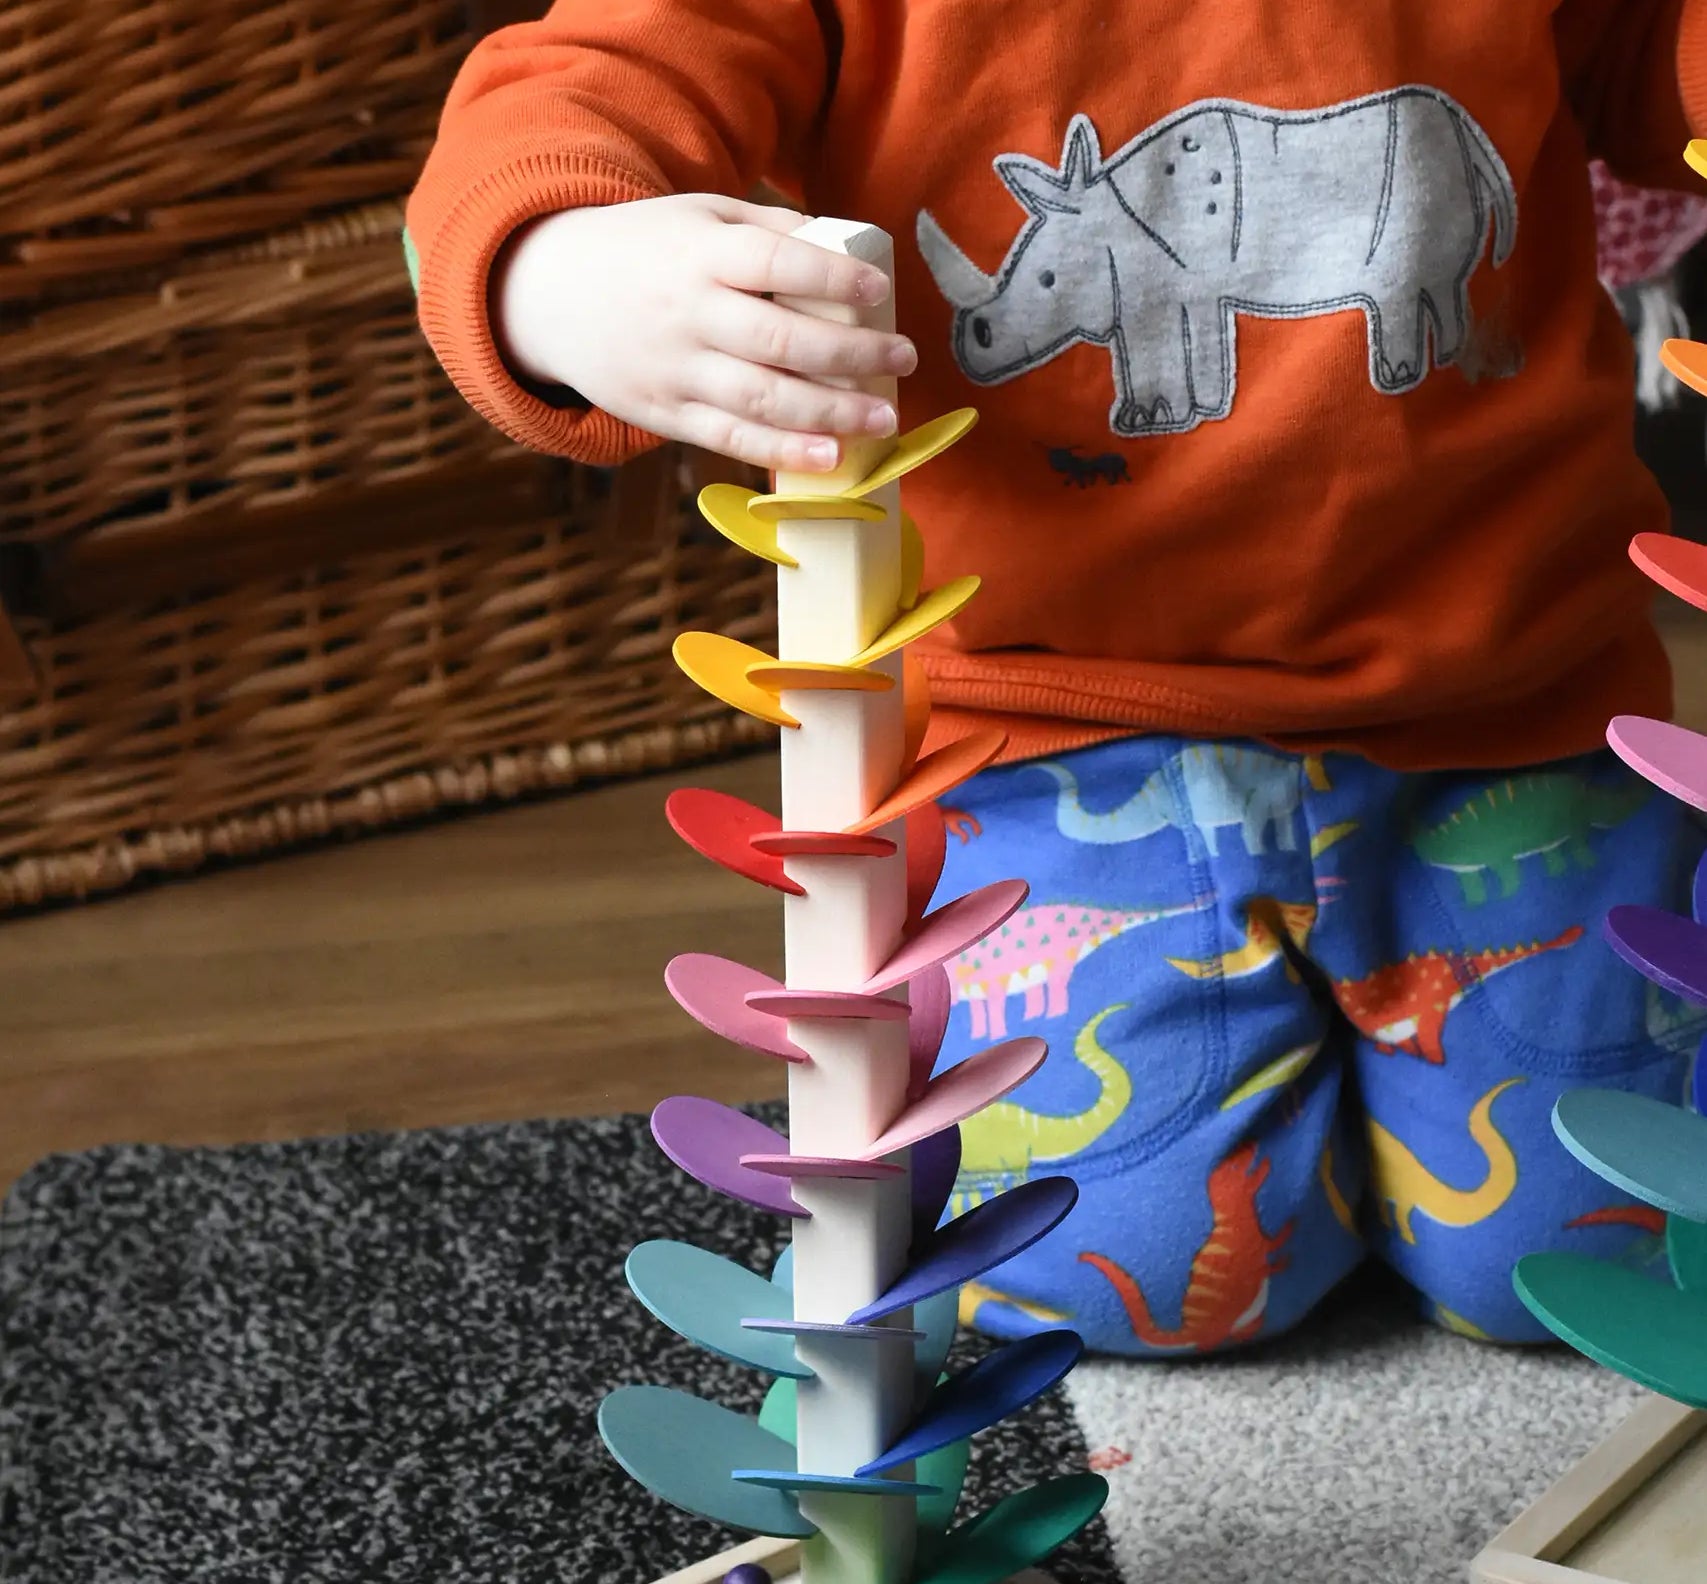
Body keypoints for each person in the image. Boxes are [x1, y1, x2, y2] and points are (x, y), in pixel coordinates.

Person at [409, 3, 1707, 1354]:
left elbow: (1648, 44)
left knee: (1597, 1236)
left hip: (1506, 697)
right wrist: (562, 263)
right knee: (1117, 1259)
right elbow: (579, 86)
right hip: (1049, 725)